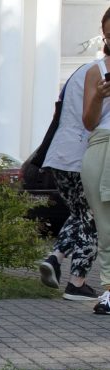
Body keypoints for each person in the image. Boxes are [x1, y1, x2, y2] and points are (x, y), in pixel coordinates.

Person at [38, 60, 99, 301]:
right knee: (92, 217)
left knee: (80, 213)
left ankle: (55, 258)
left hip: (59, 155)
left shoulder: (80, 71)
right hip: (84, 154)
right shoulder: (100, 72)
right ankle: (77, 282)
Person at [81, 7, 110, 315]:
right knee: (107, 226)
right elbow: (88, 122)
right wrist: (100, 96)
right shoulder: (96, 71)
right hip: (102, 147)